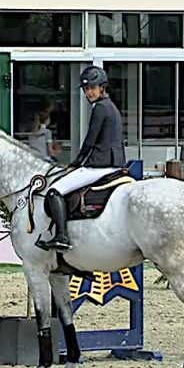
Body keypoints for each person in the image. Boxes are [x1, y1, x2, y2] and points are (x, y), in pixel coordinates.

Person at [36, 65, 126, 251]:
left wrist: (76, 163)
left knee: (54, 191)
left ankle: (62, 236)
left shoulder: (100, 108)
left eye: (92, 88)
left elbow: (91, 140)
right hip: (114, 163)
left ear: (102, 87)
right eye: (86, 89)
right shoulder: (110, 107)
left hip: (100, 165)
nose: (89, 92)